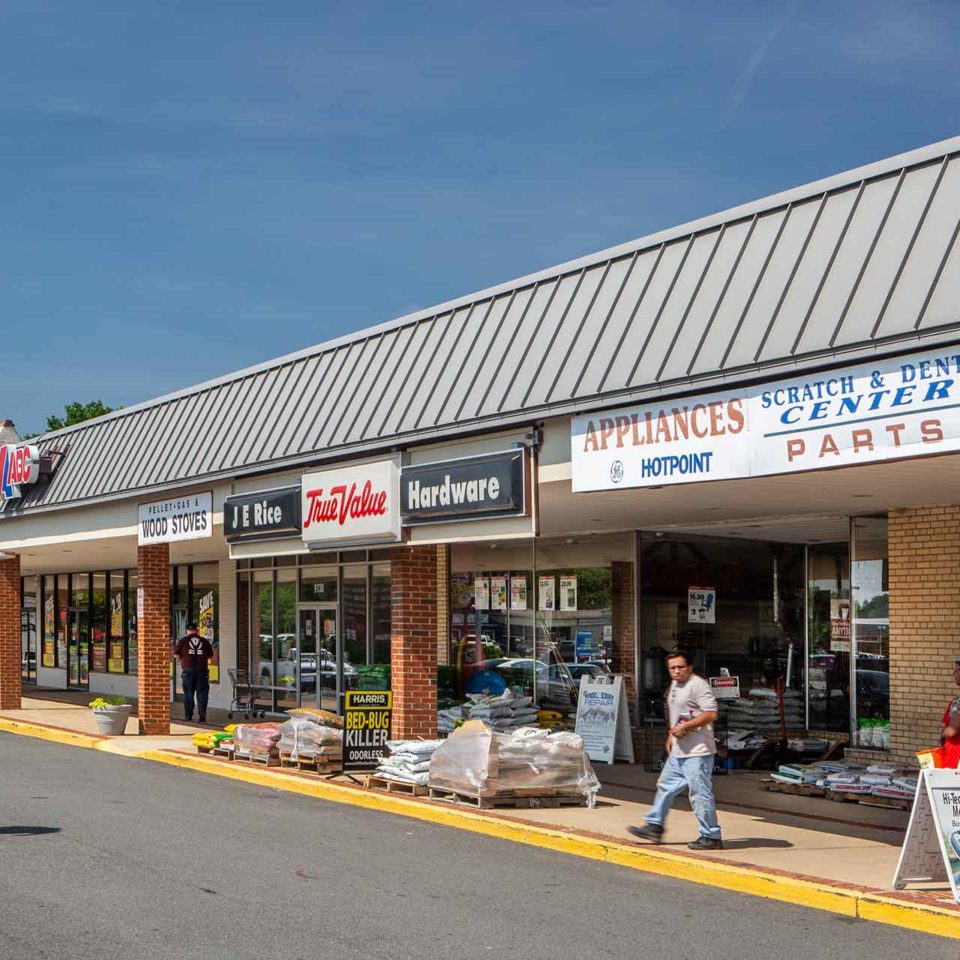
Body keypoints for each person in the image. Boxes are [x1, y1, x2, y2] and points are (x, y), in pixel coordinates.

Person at [628, 648, 723, 851]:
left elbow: (710, 713)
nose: (677, 671)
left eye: (680, 667)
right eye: (672, 668)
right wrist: (671, 734)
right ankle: (655, 825)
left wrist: (685, 727)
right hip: (679, 751)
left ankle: (711, 835)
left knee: (699, 794)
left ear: (689, 667)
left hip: (698, 751)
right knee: (665, 787)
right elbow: (680, 714)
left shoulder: (698, 685)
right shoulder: (674, 685)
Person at [174, 622, 214, 723]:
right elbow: (210, 655)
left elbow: (176, 655)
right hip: (202, 671)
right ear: (197, 630)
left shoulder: (183, 641)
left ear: (187, 631)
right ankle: (202, 715)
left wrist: (184, 660)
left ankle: (188, 716)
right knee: (202, 694)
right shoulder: (204, 641)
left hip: (188, 671)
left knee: (188, 694)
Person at [941, 662, 960, 768]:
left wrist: (942, 735)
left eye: (957, 670)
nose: (954, 673)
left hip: (956, 756)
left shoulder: (958, 702)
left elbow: (952, 731)